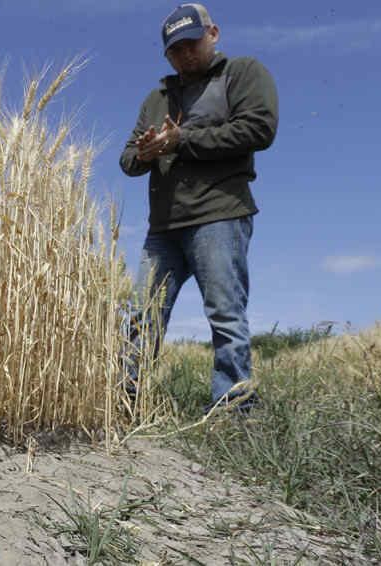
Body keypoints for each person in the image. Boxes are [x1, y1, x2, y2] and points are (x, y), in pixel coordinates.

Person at [119, 3, 278, 413]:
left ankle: (233, 408)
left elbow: (258, 128)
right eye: (176, 49)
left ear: (213, 34)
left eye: (192, 43)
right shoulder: (156, 98)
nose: (185, 54)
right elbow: (126, 160)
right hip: (163, 228)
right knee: (140, 316)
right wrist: (146, 151)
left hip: (220, 215)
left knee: (225, 314)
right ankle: (123, 401)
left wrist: (181, 140)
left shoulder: (242, 73)